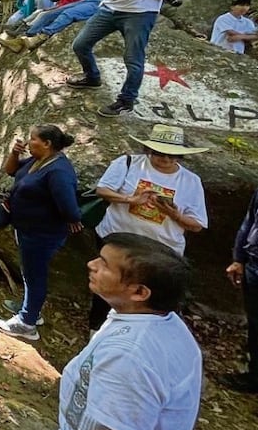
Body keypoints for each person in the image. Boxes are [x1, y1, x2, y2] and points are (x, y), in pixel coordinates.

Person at [54, 233, 201, 430]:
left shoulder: (131, 355)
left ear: (140, 292)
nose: (92, 264)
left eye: (104, 264)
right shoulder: (163, 322)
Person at [89, 125, 208, 331]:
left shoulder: (190, 181)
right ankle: (97, 331)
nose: (166, 160)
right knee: (107, 287)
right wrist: (130, 199)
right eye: (161, 154)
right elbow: (103, 190)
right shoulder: (128, 163)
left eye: (173, 156)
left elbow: (197, 224)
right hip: (119, 239)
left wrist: (173, 213)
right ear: (149, 150)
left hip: (159, 251)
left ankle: (133, 336)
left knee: (146, 296)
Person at [0, 125, 81, 341]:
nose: (28, 141)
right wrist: (14, 153)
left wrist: (73, 220)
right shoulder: (38, 160)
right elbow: (12, 171)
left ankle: (27, 323)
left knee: (35, 276)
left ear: (47, 144)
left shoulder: (58, 171)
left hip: (42, 234)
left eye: (32, 139)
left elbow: (69, 207)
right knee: (29, 272)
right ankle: (30, 308)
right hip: (27, 229)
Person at [224, 188, 258, 393]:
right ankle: (254, 377)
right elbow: (249, 222)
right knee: (255, 325)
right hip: (253, 265)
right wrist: (238, 258)